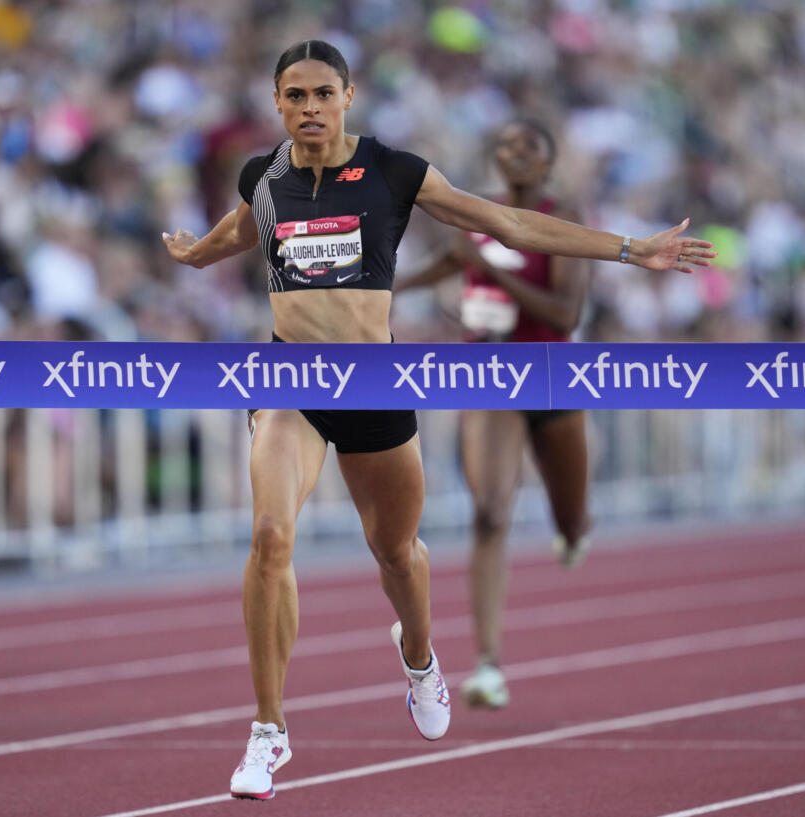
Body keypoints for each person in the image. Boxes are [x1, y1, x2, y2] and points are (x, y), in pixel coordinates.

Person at [161, 40, 714, 801]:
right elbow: (241, 228)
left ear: (348, 98)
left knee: (395, 552)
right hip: (289, 381)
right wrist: (196, 257)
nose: (310, 108)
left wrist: (629, 248)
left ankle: (420, 657)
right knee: (269, 536)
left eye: (324, 94)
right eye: (295, 96)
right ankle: (268, 729)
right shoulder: (264, 176)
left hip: (375, 384)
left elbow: (508, 224)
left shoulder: (395, 170)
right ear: (277, 104)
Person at [395, 118, 594, 709]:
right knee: (488, 513)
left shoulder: (562, 216)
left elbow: (565, 314)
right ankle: (487, 665)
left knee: (572, 520)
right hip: (489, 379)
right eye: (505, 146)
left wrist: (497, 271)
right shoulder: (477, 212)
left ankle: (573, 531)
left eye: (528, 146)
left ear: (548, 159)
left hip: (553, 379)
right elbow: (451, 261)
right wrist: (387, 287)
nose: (515, 155)